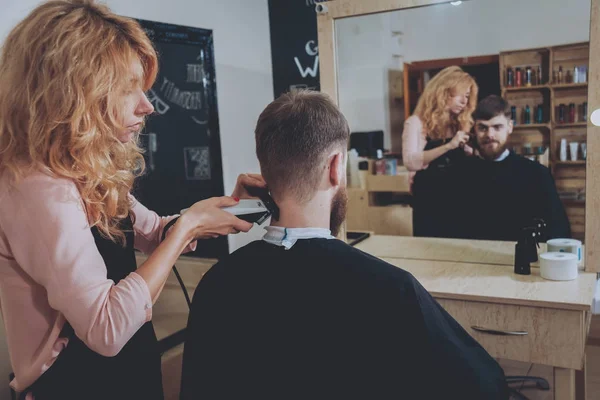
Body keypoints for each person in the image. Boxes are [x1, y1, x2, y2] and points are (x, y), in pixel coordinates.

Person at [0, 1, 266, 399]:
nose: (148, 106)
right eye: (128, 89)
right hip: (76, 384)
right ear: (73, 92)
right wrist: (189, 227)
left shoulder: (83, 168)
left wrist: (219, 209)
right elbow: (106, 328)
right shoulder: (37, 188)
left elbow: (154, 232)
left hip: (129, 367)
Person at [180, 90, 509, 400]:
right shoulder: (391, 288)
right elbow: (484, 387)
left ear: (264, 170)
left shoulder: (216, 283)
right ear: (337, 167)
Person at [452, 95, 570, 241]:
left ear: (510, 127)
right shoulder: (459, 175)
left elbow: (558, 230)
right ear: (474, 130)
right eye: (482, 128)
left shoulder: (536, 174)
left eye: (497, 127)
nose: (490, 134)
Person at [402, 66, 479, 237]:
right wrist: (449, 146)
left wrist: (467, 150)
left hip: (460, 199)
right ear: (443, 92)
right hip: (430, 200)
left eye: (468, 96)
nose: (464, 102)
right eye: (461, 94)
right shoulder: (415, 123)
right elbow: (410, 161)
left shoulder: (460, 123)